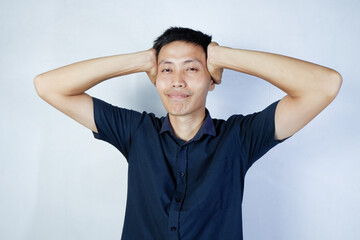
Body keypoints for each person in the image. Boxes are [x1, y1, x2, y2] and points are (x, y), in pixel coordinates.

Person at [34, 27, 342, 240]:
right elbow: (48, 86)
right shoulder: (136, 131)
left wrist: (224, 57)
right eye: (167, 69)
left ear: (211, 80)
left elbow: (325, 85)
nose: (177, 80)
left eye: (192, 69)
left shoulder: (239, 137)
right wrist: (142, 60)